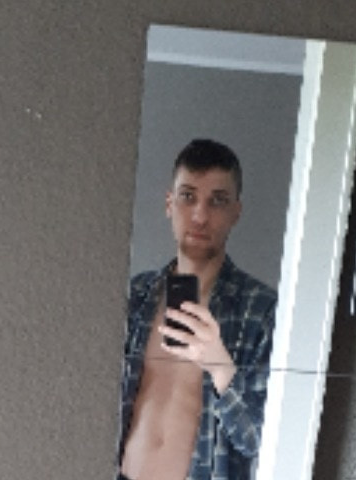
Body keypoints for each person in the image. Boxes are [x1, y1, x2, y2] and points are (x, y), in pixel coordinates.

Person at [117, 139, 277, 480]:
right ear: (169, 203)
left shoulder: (260, 311)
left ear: (236, 212)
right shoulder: (135, 296)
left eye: (217, 201)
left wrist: (220, 366)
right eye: (188, 196)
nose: (200, 216)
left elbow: (263, 442)